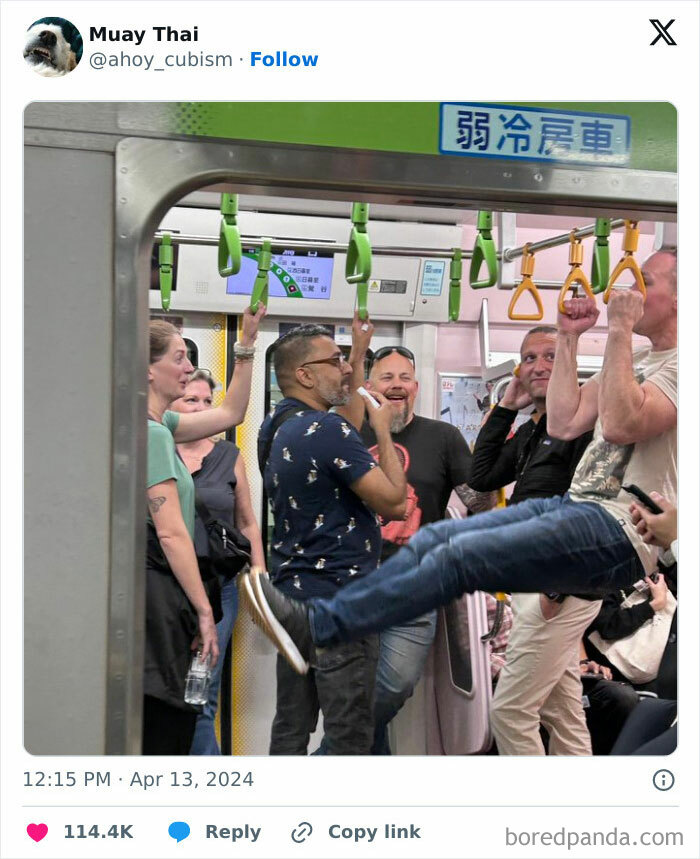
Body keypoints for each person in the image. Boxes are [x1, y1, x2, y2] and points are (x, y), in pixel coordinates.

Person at [242, 251, 677, 684]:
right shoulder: (637, 362)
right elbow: (566, 421)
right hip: (580, 508)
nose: (630, 291)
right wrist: (567, 337)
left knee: (456, 556)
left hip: (623, 530)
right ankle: (320, 623)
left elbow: (620, 425)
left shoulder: (681, 363)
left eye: (647, 282)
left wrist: (618, 327)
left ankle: (319, 626)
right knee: (438, 537)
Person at [252, 320, 407, 754]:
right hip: (343, 601)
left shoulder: (278, 425)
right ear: (304, 375)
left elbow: (344, 425)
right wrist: (384, 429)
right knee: (349, 733)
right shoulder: (326, 431)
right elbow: (396, 504)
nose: (344, 369)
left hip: (294, 597)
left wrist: (358, 353)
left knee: (291, 724)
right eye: (334, 361)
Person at [469, 325, 598, 755]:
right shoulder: (531, 432)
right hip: (534, 583)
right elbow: (481, 475)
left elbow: (588, 506)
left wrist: (555, 587)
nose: (539, 367)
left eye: (551, 357)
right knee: (562, 714)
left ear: (572, 365)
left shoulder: (585, 428)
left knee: (510, 712)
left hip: (559, 587)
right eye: (529, 359)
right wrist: (507, 405)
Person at [358, 345, 494, 754]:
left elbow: (477, 503)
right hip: (352, 583)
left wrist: (493, 454)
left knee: (395, 682)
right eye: (387, 377)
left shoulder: (443, 437)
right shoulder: (347, 432)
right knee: (354, 685)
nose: (396, 385)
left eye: (404, 378)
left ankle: (331, 752)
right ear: (368, 387)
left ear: (416, 387)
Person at [145, 306, 264, 754]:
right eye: (178, 358)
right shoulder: (154, 434)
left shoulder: (162, 424)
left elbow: (231, 411)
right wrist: (203, 611)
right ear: (148, 369)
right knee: (172, 710)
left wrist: (247, 345)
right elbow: (172, 533)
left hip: (165, 584)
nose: (189, 367)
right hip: (163, 587)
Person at [171, 369, 266, 756]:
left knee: (201, 693)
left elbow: (246, 522)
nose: (200, 409)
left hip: (217, 588)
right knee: (166, 692)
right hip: (165, 585)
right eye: (190, 401)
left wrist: (259, 576)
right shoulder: (156, 447)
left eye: (207, 401)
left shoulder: (229, 456)